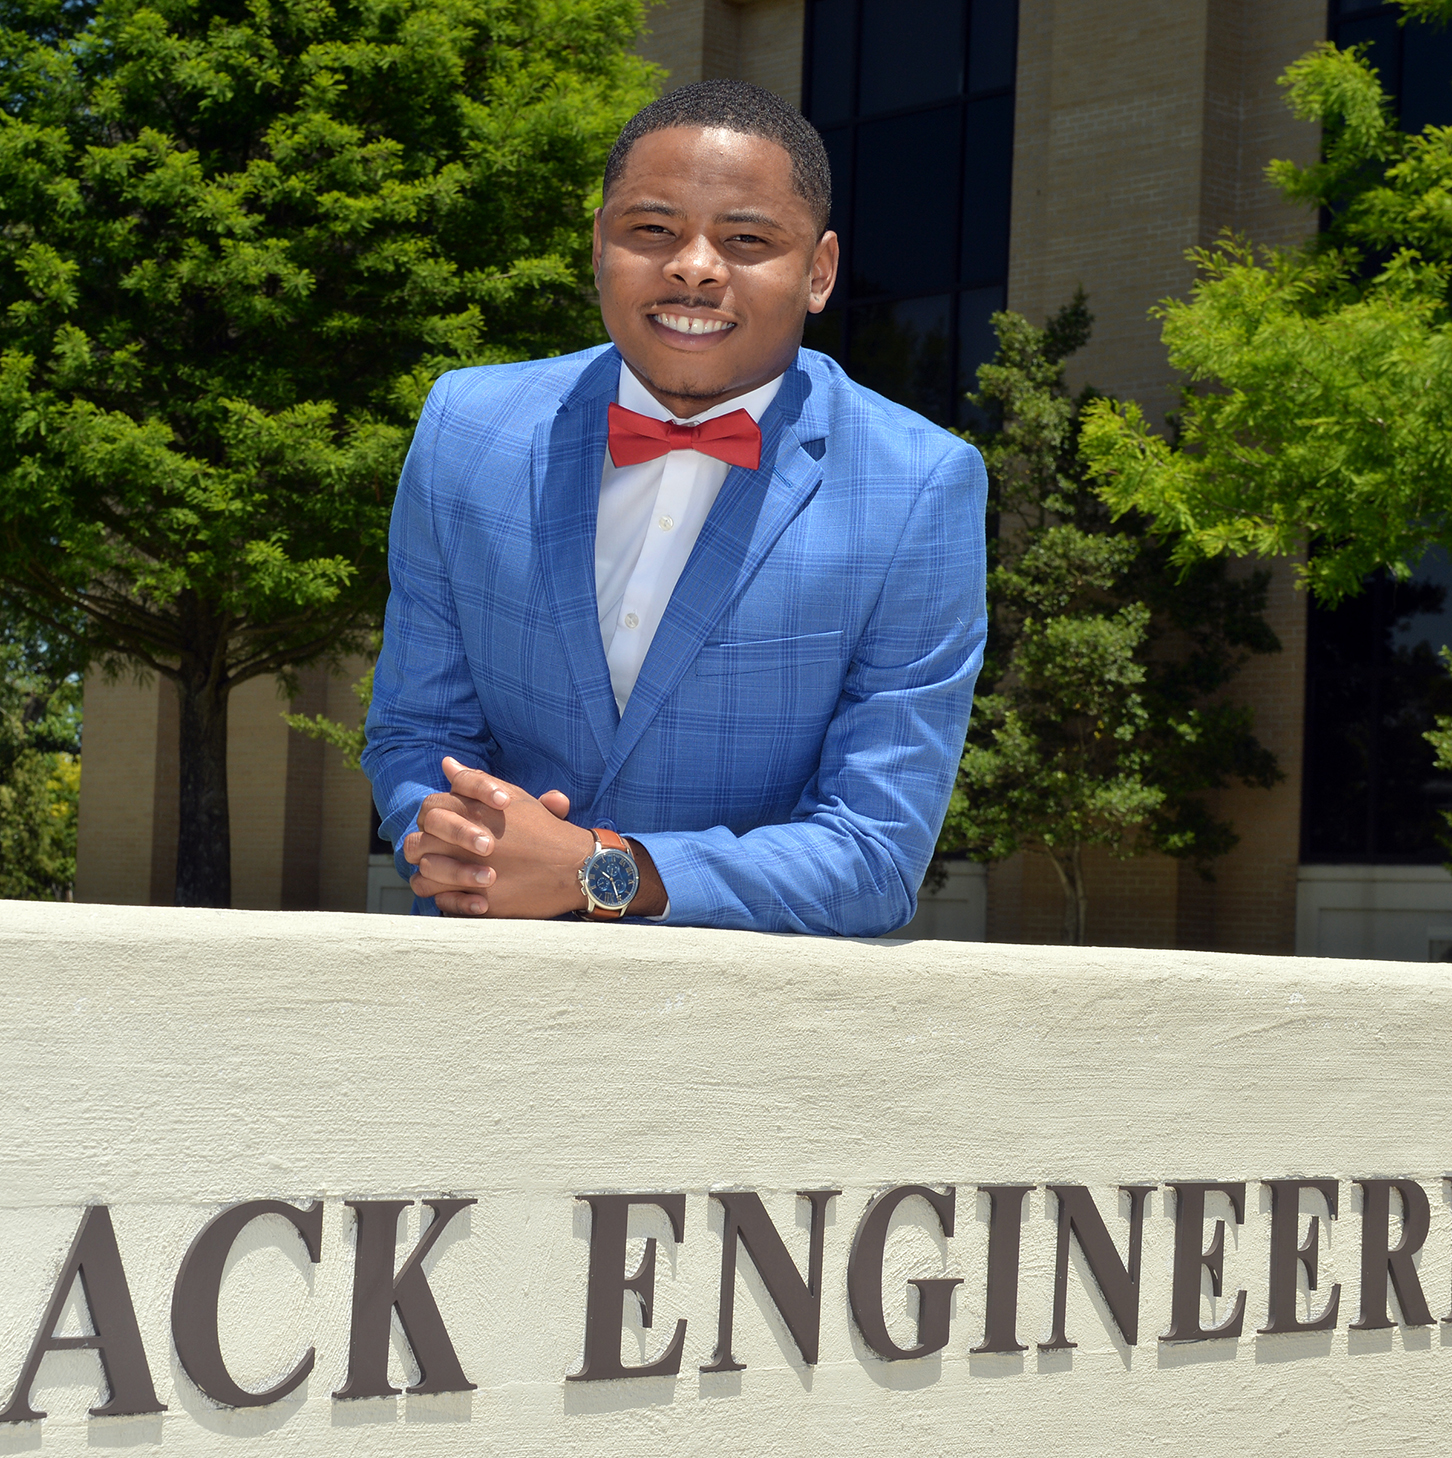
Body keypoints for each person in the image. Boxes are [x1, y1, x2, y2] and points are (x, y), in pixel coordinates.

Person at [362, 79, 987, 936]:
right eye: (652, 230)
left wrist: (600, 872)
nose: (694, 266)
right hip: (485, 987)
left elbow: (876, 854)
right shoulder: (464, 430)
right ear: (598, 245)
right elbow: (413, 729)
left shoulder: (922, 486)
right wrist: (456, 839)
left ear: (820, 271)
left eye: (747, 238)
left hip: (746, 1028)